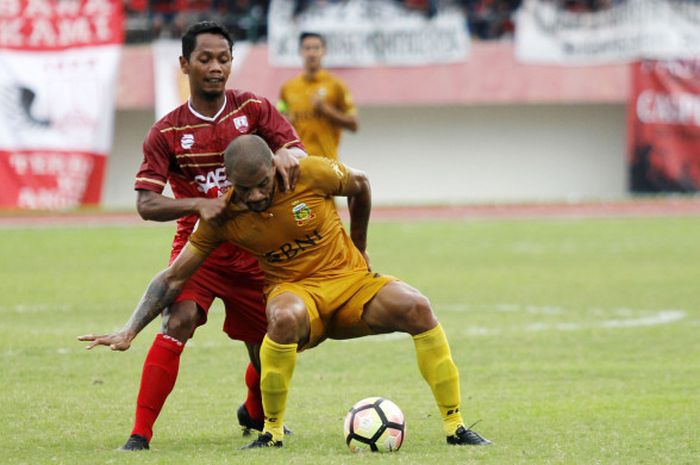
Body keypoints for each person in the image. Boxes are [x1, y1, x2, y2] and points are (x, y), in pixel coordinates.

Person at [79, 134, 492, 449]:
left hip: (351, 285)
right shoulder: (224, 215)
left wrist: (361, 245)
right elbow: (172, 277)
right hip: (296, 294)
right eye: (245, 189)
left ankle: (455, 426)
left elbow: (361, 184)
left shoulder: (307, 173)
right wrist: (130, 329)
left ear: (273, 167)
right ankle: (271, 433)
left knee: (417, 305)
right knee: (281, 316)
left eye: (261, 184)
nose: (255, 196)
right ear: (231, 183)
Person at [78, 21, 305, 451]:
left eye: (224, 58)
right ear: (185, 64)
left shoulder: (254, 109)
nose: (216, 67)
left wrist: (284, 152)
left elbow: (297, 151)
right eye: (205, 59)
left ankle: (256, 413)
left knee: (265, 342)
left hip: (253, 245)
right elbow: (147, 203)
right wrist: (198, 204)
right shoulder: (166, 132)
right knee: (178, 320)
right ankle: (139, 435)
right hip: (200, 246)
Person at [277, 31, 358, 160]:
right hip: (300, 163)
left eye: (316, 48)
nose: (311, 53)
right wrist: (285, 120)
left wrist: (326, 110)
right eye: (307, 48)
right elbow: (279, 120)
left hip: (328, 162)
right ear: (300, 51)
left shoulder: (336, 85)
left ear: (324, 51)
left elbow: (354, 124)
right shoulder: (288, 88)